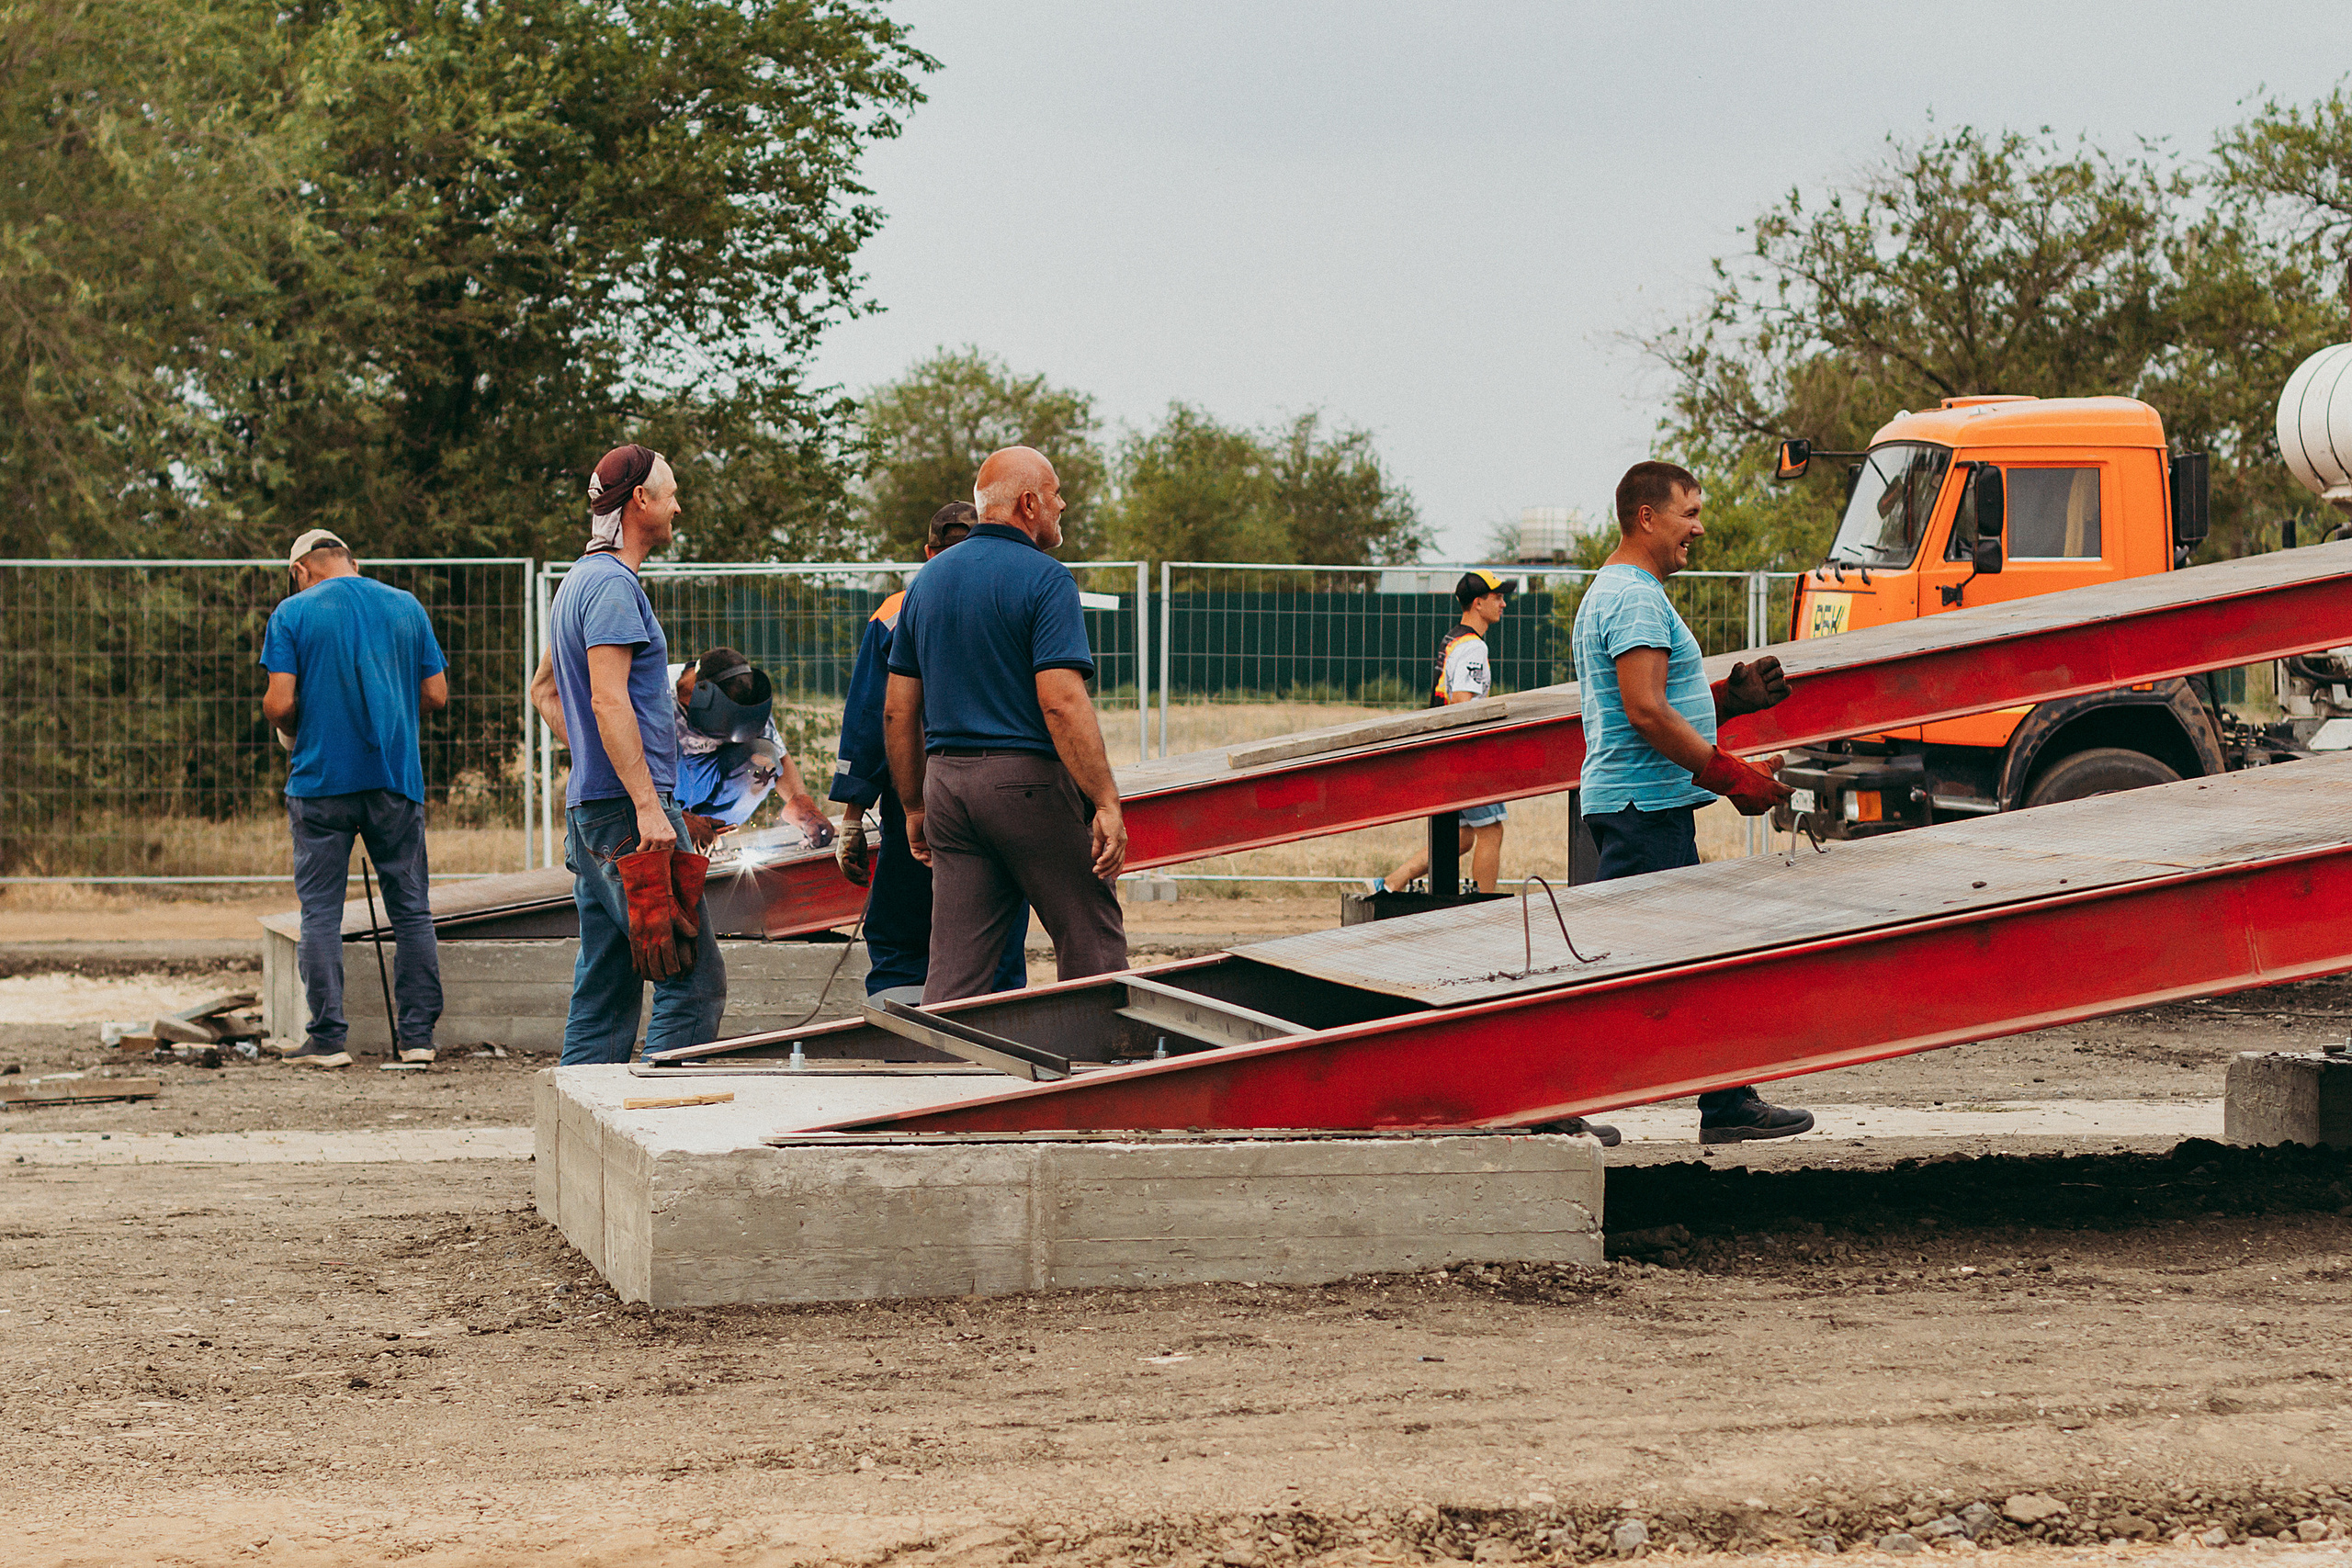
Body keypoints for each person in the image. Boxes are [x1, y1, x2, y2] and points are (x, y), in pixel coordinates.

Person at [1572, 458, 1813, 1144]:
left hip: (1641, 804)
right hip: (1643, 810)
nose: (1699, 528)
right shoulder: (1636, 598)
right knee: (1608, 966)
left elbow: (1646, 705)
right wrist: (1733, 777)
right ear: (1647, 517)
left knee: (1697, 955)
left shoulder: (1617, 590)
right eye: (1690, 513)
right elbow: (1646, 711)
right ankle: (1543, 1101)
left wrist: (1727, 701)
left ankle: (1726, 1099)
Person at [884, 447, 1128, 1001]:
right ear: (1029, 504)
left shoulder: (926, 582)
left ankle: (939, 1054)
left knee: (957, 965)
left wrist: (914, 806)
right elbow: (1061, 704)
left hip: (947, 789)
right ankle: (1101, 1051)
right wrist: (1105, 801)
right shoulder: (1048, 580)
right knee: (1090, 938)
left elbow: (898, 710)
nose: (1063, 505)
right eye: (1056, 494)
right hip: (1026, 786)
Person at [528, 443, 724, 1064]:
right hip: (626, 815)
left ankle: (582, 1117)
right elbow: (609, 701)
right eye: (671, 495)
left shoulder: (576, 582)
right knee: (691, 980)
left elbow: (543, 690)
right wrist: (645, 803)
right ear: (640, 500)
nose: (677, 507)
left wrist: (596, 760)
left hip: (594, 809)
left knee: (607, 985)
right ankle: (660, 1113)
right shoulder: (613, 587)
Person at [258, 528, 449, 1068]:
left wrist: (303, 713)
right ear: (352, 562)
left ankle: (327, 1040)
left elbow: (279, 704)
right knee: (410, 910)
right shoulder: (406, 606)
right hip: (394, 779)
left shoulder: (292, 613)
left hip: (320, 783)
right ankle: (416, 1039)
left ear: (300, 571)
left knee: (320, 912)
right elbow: (436, 694)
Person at [831, 502, 1029, 996]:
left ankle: (901, 1025)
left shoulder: (897, 610)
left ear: (928, 552)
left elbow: (873, 717)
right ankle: (999, 1021)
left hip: (916, 794)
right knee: (997, 930)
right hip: (1009, 790)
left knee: (902, 933)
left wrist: (853, 817)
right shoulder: (1019, 596)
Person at [1371, 570, 1517, 896]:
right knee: (1491, 831)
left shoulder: (1453, 638)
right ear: (1478, 603)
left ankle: (1392, 883)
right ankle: (1485, 905)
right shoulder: (1473, 647)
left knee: (1462, 837)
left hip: (1448, 751)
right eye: (1497, 597)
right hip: (1466, 752)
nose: (1503, 604)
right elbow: (1463, 703)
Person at [669, 648, 834, 851]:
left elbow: (778, 756)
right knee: (667, 750)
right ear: (700, 695)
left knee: (762, 758)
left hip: (709, 775)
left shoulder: (742, 695)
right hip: (661, 784)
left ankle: (712, 833)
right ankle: (674, 836)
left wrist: (800, 803)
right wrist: (673, 820)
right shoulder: (653, 692)